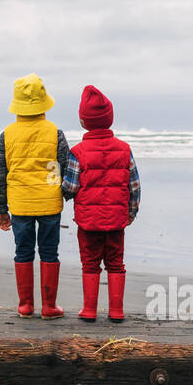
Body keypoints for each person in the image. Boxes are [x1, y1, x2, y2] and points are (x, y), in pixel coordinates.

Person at [0, 73, 72, 319]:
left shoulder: (7, 134)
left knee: (23, 251)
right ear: (43, 103)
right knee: (49, 252)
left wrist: (1, 209)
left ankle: (25, 306)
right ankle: (49, 307)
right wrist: (67, 196)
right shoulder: (55, 133)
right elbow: (67, 167)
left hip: (20, 205)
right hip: (49, 205)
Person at [61, 85, 140, 322]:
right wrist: (131, 212)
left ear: (83, 122)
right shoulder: (124, 149)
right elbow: (134, 185)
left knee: (90, 263)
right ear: (110, 119)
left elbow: (71, 187)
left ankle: (89, 310)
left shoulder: (77, 151)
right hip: (117, 220)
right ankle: (116, 311)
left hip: (88, 221)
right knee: (116, 263)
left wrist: (63, 192)